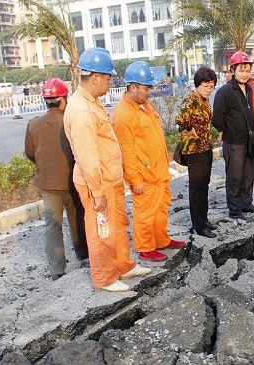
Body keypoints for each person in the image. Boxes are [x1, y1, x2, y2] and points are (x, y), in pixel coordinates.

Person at [64, 48, 151, 292]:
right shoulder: (81, 110)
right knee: (101, 230)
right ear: (95, 77)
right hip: (97, 182)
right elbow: (87, 155)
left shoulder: (92, 103)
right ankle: (104, 278)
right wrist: (98, 191)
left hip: (110, 179)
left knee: (118, 224)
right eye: (108, 77)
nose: (111, 81)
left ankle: (123, 265)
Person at [113, 61, 186, 262]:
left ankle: (161, 240)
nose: (150, 92)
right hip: (145, 175)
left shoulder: (143, 106)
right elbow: (126, 151)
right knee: (145, 213)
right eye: (146, 88)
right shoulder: (123, 115)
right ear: (133, 87)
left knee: (161, 208)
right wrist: (135, 179)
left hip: (159, 172)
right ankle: (145, 247)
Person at [25, 78, 88, 279]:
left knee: (52, 225)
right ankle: (84, 256)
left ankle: (57, 269)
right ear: (64, 100)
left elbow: (30, 152)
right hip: (71, 182)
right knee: (77, 219)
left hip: (48, 184)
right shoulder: (70, 121)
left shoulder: (33, 124)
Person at [212, 50, 254, 220]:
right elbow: (217, 118)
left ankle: (247, 203)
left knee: (249, 174)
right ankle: (234, 210)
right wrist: (229, 130)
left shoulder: (249, 88)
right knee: (234, 177)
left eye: (247, 70)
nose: (245, 74)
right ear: (232, 71)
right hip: (234, 142)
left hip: (249, 140)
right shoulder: (225, 92)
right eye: (241, 70)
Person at [174, 67, 218, 238]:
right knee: (197, 188)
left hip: (205, 147)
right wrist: (189, 129)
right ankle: (199, 226)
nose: (209, 89)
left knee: (204, 186)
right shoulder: (190, 99)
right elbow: (180, 119)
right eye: (205, 85)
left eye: (212, 86)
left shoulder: (204, 100)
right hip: (194, 150)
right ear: (198, 84)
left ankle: (204, 219)